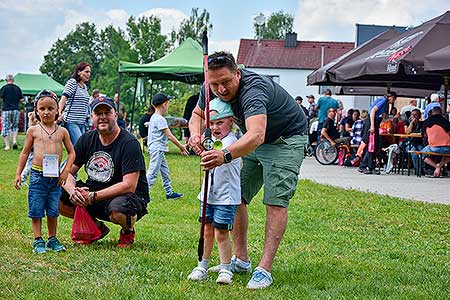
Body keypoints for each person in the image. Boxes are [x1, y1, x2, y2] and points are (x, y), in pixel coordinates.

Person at [188, 51, 308, 289]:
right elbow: (197, 115)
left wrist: (225, 155)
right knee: (236, 196)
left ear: (238, 74)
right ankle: (241, 260)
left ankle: (264, 269)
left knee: (275, 201)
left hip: (285, 139)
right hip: (253, 139)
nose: (221, 89)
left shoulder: (253, 90)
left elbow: (256, 134)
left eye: (226, 82)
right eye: (215, 84)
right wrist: (194, 135)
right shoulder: (208, 86)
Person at [59, 96, 150, 248]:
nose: (102, 117)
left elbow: (129, 185)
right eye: (98, 113)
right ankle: (96, 228)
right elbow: (66, 172)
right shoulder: (86, 139)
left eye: (107, 112)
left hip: (125, 195)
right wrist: (72, 190)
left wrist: (93, 197)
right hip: (94, 192)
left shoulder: (129, 143)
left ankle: (128, 231)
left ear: (115, 115)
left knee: (119, 210)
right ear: (92, 116)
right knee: (55, 195)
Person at [187, 98, 241, 285]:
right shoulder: (211, 141)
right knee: (206, 230)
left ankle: (226, 269)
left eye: (220, 122)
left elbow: (219, 152)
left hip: (226, 197)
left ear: (231, 122)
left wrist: (204, 147)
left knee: (220, 232)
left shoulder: (231, 142)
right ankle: (202, 265)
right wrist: (198, 141)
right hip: (208, 196)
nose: (215, 127)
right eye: (211, 123)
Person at [14, 89, 75, 254]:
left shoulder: (62, 132)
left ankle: (52, 238)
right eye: (42, 109)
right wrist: (19, 173)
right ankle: (37, 239)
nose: (46, 112)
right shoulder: (33, 131)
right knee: (36, 208)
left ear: (57, 110)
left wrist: (66, 171)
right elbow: (25, 153)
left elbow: (72, 153)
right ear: (36, 111)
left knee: (53, 209)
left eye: (50, 108)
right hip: (37, 176)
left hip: (55, 177)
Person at [146, 92, 189, 200]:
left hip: (157, 149)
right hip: (157, 149)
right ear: (164, 104)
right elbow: (169, 136)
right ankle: (142, 193)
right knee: (152, 173)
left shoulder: (154, 117)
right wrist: (181, 146)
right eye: (168, 103)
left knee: (165, 172)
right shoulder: (160, 119)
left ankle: (169, 192)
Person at [359, 92, 397, 175]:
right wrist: (372, 126)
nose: (393, 101)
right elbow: (372, 111)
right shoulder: (383, 101)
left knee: (375, 145)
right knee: (370, 144)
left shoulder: (384, 102)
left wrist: (393, 118)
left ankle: (370, 166)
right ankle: (363, 166)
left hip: (374, 122)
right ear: (392, 97)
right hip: (371, 122)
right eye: (394, 99)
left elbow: (383, 118)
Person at [58, 62, 91, 146]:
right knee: (79, 147)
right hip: (71, 121)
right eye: (86, 72)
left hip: (82, 123)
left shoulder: (84, 87)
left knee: (80, 149)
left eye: (89, 72)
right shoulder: (73, 83)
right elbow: (63, 98)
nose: (89, 74)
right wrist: (59, 112)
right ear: (79, 72)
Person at [421, 106, 450, 177]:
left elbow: (424, 135)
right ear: (441, 113)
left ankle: (436, 166)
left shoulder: (426, 122)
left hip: (432, 147)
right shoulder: (446, 122)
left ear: (432, 112)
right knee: (446, 154)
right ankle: (440, 165)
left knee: (421, 154)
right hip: (446, 147)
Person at [0, 74, 24, 150]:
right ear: (13, 80)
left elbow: (1, 97)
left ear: (6, 80)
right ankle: (14, 141)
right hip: (16, 110)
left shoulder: (4, 88)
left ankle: (7, 146)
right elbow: (21, 99)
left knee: (5, 127)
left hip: (6, 110)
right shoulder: (17, 88)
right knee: (15, 126)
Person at [20, 111, 40, 185]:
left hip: (38, 153)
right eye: (37, 120)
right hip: (33, 153)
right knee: (29, 167)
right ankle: (22, 178)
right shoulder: (32, 130)